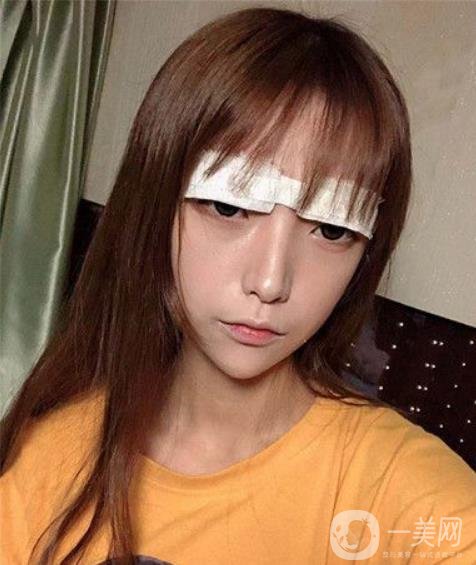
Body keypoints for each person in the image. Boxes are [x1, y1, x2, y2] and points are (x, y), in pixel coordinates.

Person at [0, 6, 474, 565]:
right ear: (155, 205)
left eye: (331, 229)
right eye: (228, 207)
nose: (270, 282)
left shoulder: (404, 494)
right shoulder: (50, 456)